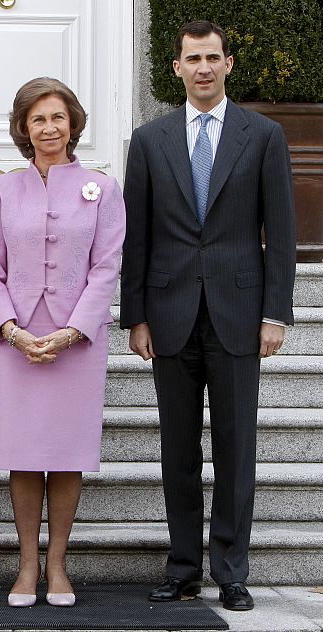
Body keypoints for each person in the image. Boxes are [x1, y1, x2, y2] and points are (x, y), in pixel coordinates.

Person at [120, 20, 296, 612]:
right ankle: (183, 569)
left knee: (236, 450)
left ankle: (231, 572)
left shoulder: (263, 135)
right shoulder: (149, 140)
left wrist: (275, 313)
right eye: (192, 59)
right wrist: (135, 315)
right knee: (178, 453)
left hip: (239, 315)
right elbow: (137, 237)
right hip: (168, 314)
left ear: (227, 64)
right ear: (176, 67)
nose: (203, 68)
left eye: (212, 57)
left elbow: (282, 232)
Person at [0, 77, 125, 608]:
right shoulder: (2, 189)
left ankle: (58, 565)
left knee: (65, 454)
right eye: (37, 119)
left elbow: (106, 267)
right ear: (23, 128)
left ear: (73, 123)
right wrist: (12, 331)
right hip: (17, 339)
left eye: (57, 117)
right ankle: (26, 565)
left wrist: (72, 330)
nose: (48, 128)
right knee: (23, 453)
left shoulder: (101, 188)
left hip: (76, 341)